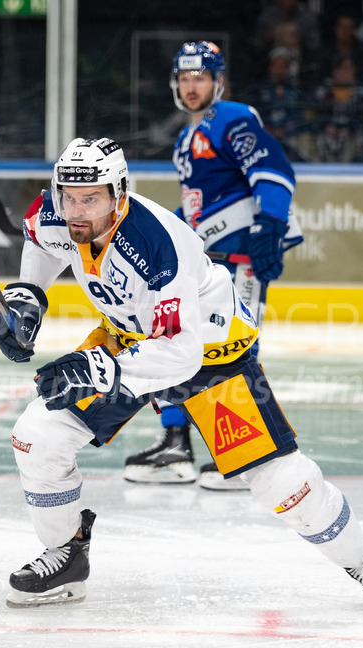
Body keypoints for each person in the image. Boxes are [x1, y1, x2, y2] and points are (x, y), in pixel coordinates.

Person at [0, 136, 363, 612]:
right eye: (69, 196)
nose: (76, 210)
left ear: (120, 192)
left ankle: (362, 559)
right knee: (38, 434)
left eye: (91, 199)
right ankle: (66, 557)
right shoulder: (56, 210)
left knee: (280, 480)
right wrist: (28, 296)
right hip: (129, 338)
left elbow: (180, 353)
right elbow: (45, 244)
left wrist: (96, 367)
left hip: (210, 354)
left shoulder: (156, 243)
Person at [127, 41, 303, 491]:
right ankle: (176, 444)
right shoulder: (186, 139)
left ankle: (251, 457)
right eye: (184, 79)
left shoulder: (231, 118)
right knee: (178, 342)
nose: (191, 86)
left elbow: (274, 170)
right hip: (207, 265)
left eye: (199, 78)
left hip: (241, 259)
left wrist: (268, 228)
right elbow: (197, 208)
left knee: (234, 352)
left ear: (217, 81)